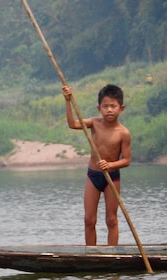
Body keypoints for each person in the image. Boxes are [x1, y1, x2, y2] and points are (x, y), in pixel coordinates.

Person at [62, 84, 131, 246]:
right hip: (93, 176)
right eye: (105, 106)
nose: (109, 110)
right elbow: (72, 124)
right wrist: (67, 101)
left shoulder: (123, 133)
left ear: (121, 108)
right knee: (89, 219)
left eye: (113, 106)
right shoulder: (94, 123)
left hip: (111, 178)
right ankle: (91, 252)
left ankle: (112, 253)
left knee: (111, 219)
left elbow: (126, 160)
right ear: (99, 108)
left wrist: (111, 165)